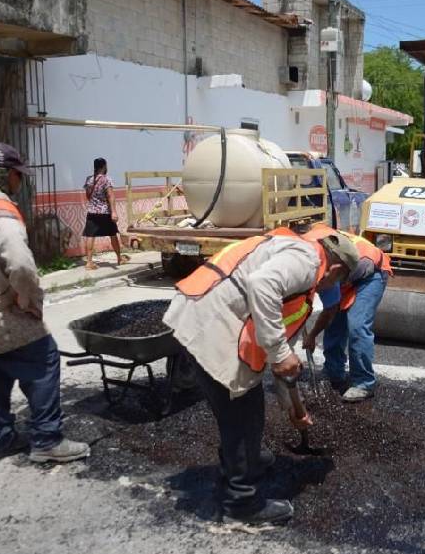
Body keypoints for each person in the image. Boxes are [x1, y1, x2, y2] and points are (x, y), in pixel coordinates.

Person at [163, 228, 360, 525]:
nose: (327, 288)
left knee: (238, 412)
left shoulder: (293, 256)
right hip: (214, 328)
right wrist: (280, 354)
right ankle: (242, 503)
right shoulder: (307, 261)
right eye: (337, 281)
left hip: (203, 318)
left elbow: (283, 361)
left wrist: (296, 409)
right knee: (244, 417)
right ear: (334, 268)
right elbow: (261, 285)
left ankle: (245, 460)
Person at [0, 143, 90, 463]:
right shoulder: (0, 210)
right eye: (18, 176)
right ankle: (47, 440)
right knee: (44, 360)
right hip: (3, 308)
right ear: (9, 175)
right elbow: (21, 267)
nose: (19, 182)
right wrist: (30, 301)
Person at [301, 225, 392, 402]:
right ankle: (333, 372)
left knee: (356, 325)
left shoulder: (326, 268)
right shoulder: (304, 254)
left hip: (371, 275)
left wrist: (311, 335)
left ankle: (364, 382)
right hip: (346, 275)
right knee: (335, 325)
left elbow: (330, 310)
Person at [83, 157, 127, 270]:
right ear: (103, 166)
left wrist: (94, 203)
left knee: (90, 236)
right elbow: (110, 196)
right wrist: (114, 212)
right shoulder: (107, 180)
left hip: (92, 212)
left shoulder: (89, 179)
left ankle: (89, 262)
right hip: (105, 212)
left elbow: (88, 196)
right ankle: (119, 258)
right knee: (113, 234)